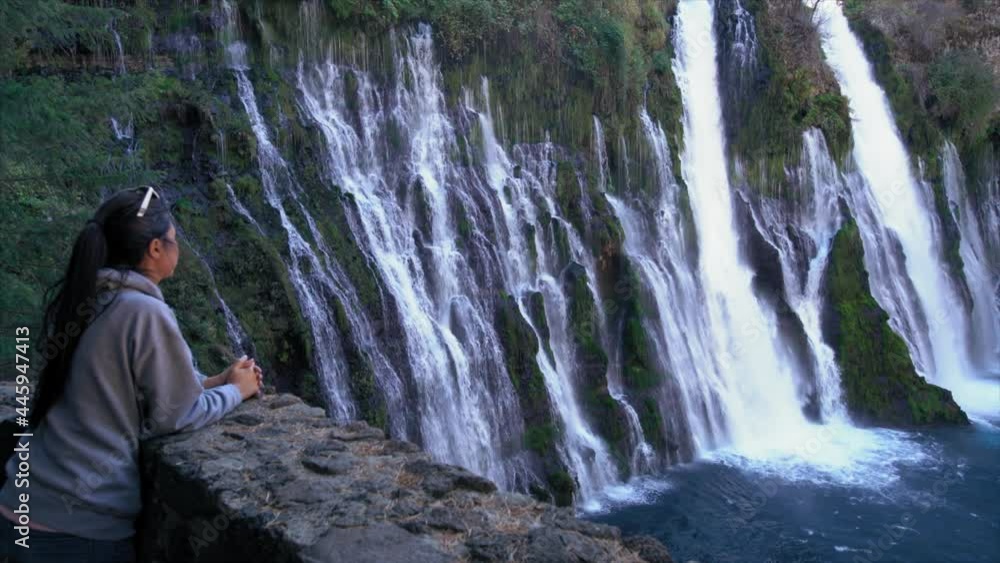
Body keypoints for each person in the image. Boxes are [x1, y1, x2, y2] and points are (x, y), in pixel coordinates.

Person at [0, 186, 263, 562]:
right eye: (173, 239)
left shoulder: (87, 296)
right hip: (76, 530)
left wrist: (215, 381)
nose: (178, 248)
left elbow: (120, 386)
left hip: (20, 505)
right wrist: (236, 392)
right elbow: (177, 415)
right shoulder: (142, 311)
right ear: (155, 248)